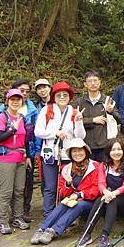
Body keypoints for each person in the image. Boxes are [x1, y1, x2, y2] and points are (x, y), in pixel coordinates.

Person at [30, 138, 100, 245]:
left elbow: (97, 189)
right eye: (74, 151)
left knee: (78, 205)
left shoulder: (96, 167)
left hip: (90, 201)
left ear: (86, 151)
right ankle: (42, 229)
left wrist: (79, 195)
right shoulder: (66, 168)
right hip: (73, 199)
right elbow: (62, 193)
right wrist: (68, 184)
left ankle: (54, 230)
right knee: (63, 204)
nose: (77, 154)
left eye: (80, 150)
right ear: (70, 154)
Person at [34, 82, 85, 217]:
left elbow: (80, 136)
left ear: (69, 97)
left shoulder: (73, 112)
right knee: (50, 187)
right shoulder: (47, 110)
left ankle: (66, 213)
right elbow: (38, 131)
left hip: (68, 156)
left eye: (65, 95)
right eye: (59, 95)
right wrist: (54, 133)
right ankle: (49, 214)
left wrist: (79, 121)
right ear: (54, 97)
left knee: (67, 185)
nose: (62, 97)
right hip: (50, 155)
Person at [77, 139, 124, 247]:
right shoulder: (104, 166)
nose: (116, 152)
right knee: (100, 199)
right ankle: (86, 233)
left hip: (123, 200)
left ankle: (104, 236)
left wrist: (113, 193)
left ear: (123, 151)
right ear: (108, 151)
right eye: (113, 149)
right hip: (108, 196)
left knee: (111, 200)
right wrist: (106, 192)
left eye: (119, 149)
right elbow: (101, 183)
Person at [0, 89, 32, 234]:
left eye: (18, 99)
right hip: (5, 158)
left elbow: (25, 139)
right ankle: (2, 221)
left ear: (22, 101)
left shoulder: (23, 117)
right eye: (12, 99)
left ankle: (18, 217)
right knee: (7, 191)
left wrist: (27, 156)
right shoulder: (2, 117)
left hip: (20, 157)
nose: (15, 102)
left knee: (20, 190)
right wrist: (11, 130)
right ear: (7, 101)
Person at [73, 71, 121, 162]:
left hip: (104, 145)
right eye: (90, 81)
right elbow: (73, 121)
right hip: (85, 145)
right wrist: (93, 120)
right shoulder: (79, 102)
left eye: (95, 80)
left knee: (103, 172)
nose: (93, 83)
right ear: (85, 84)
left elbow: (118, 120)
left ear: (100, 83)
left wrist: (111, 112)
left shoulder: (107, 100)